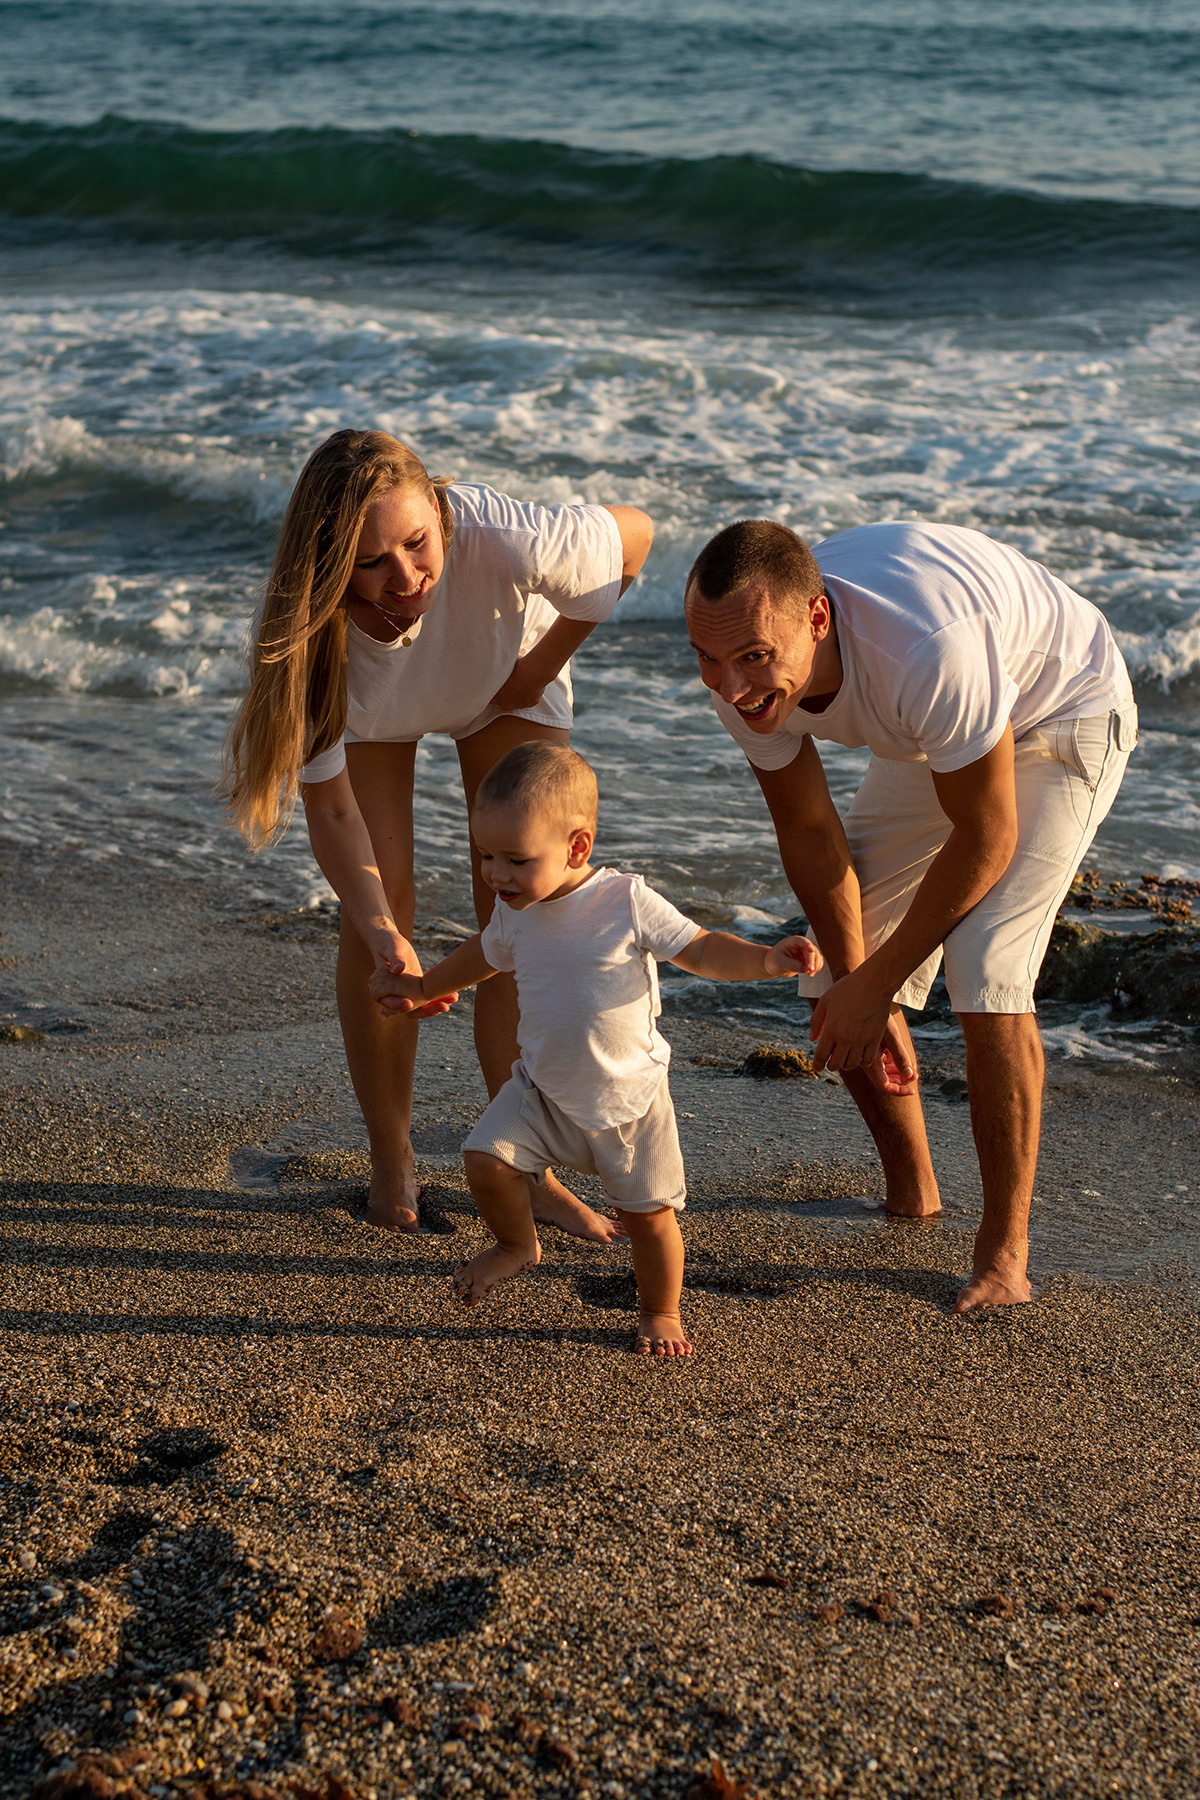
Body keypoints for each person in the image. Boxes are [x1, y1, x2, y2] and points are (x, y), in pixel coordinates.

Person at [684, 517, 1137, 1314]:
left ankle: (1004, 1256)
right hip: (939, 732)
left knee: (987, 967)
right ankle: (912, 1193)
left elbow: (988, 836)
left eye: (754, 658)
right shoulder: (737, 671)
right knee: (832, 969)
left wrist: (881, 984)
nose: (731, 688)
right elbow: (809, 831)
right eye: (708, 660)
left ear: (815, 620)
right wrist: (859, 979)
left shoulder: (923, 649)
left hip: (1064, 707)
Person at [223, 429, 653, 1239]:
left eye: (418, 544)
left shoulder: (504, 534)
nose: (407, 577)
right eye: (372, 562)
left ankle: (526, 1166)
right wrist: (385, 928)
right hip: (381, 711)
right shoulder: (304, 637)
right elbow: (334, 812)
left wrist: (538, 664)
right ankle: (394, 1161)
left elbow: (634, 537)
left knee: (529, 908)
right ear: (327, 568)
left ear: (442, 520)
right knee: (379, 908)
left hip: (505, 690)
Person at [368, 742, 824, 1355]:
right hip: (541, 1091)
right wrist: (424, 986)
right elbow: (480, 956)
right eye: (485, 856)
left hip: (628, 1100)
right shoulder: (514, 913)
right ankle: (516, 1244)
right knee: (484, 1159)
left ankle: (661, 1311)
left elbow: (701, 949)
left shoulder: (624, 901)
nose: (496, 874)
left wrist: (766, 959)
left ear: (576, 847)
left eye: (515, 859)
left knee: (648, 1219)